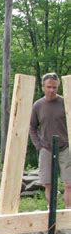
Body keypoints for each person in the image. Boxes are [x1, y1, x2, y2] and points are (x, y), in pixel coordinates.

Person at [29, 73, 71, 207]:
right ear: (43, 87)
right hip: (46, 148)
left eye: (54, 87)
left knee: (69, 183)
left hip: (65, 147)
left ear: (58, 87)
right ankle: (51, 213)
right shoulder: (38, 105)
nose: (52, 90)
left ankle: (68, 213)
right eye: (49, 87)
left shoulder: (66, 102)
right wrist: (38, 145)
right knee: (48, 183)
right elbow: (32, 127)